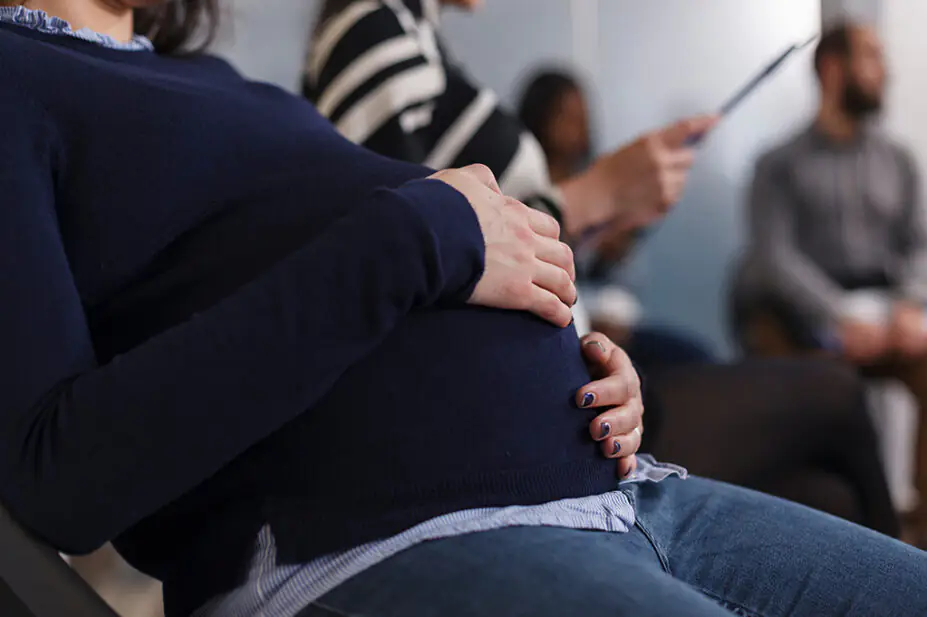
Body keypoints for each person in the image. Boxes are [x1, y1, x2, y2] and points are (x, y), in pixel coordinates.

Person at [1, 4, 925, 617]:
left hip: (630, 489)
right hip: (373, 536)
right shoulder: (17, 77)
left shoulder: (225, 85)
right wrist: (422, 231)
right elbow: (58, 475)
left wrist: (571, 346)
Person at [306, 0, 900, 537]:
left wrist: (599, 214)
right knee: (837, 396)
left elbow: (479, 243)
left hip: (587, 395)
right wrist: (592, 195)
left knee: (828, 494)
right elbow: (409, 249)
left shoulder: (417, 40)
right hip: (548, 422)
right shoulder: (374, 30)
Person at [744, 21, 927, 544]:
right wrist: (835, 315)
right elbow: (773, 258)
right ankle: (843, 534)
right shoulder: (777, 165)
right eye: (872, 56)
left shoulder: (900, 160)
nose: (885, 71)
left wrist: (910, 307)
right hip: (806, 318)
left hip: (888, 314)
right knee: (825, 390)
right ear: (832, 68)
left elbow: (919, 244)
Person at [517, 68, 716, 374]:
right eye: (566, 117)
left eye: (583, 117)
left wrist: (615, 247)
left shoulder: (597, 180)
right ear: (540, 117)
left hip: (614, 323)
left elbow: (623, 277)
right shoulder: (522, 190)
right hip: (565, 328)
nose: (578, 129)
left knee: (697, 360)